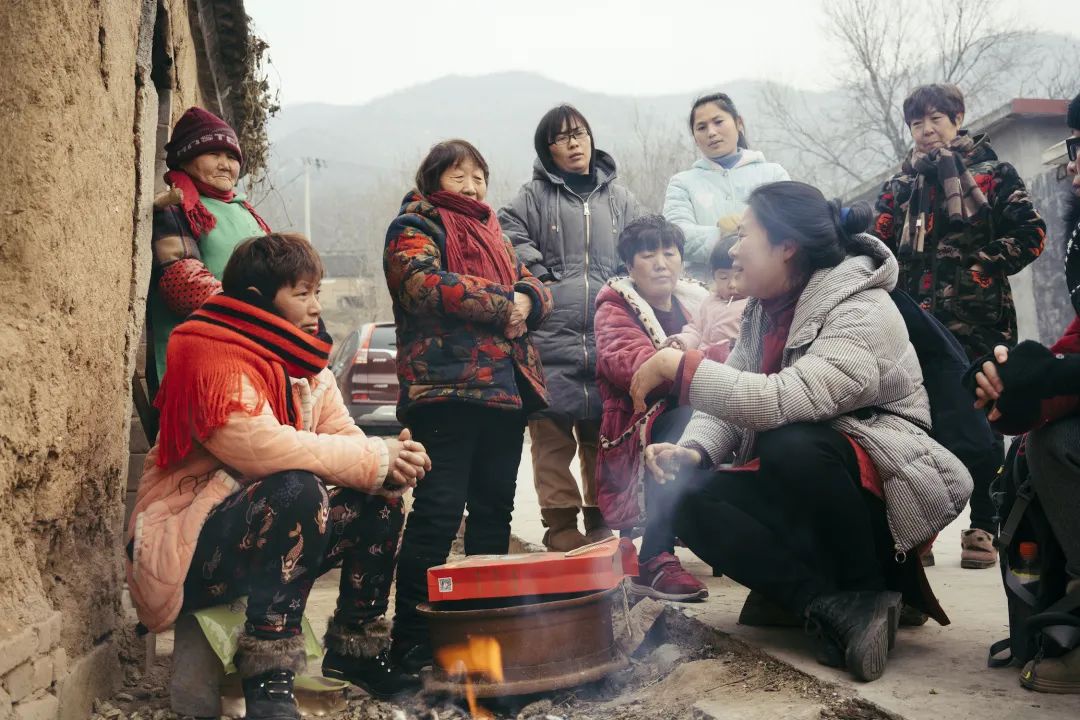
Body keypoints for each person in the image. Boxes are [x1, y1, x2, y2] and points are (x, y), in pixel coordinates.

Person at [632, 182, 972, 682]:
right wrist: (696, 452)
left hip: (881, 494)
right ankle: (822, 603)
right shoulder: (761, 309)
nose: (733, 249)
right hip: (806, 487)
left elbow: (783, 399)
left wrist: (679, 365)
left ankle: (866, 588)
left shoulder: (862, 308)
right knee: (679, 490)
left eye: (744, 234)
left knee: (790, 441)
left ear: (786, 244)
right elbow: (735, 396)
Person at [125, 233, 431, 717]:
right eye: (301, 293)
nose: (315, 307)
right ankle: (269, 678)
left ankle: (358, 651)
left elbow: (346, 437)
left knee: (381, 493)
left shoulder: (304, 361)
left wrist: (390, 460)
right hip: (193, 543)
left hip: (270, 533)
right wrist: (375, 455)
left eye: (317, 292)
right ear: (257, 300)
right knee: (297, 486)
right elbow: (258, 447)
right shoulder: (207, 352)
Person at [385, 140, 553, 678]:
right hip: (446, 393)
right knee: (437, 514)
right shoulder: (414, 227)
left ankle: (485, 635)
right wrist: (507, 303)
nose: (472, 185)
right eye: (459, 176)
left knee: (493, 514)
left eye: (479, 176)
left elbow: (538, 284)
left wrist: (526, 297)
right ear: (433, 179)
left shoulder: (496, 232)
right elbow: (423, 283)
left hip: (505, 391)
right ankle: (412, 640)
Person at [872, 83, 1046, 570]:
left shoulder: (992, 174)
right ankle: (920, 530)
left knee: (983, 419)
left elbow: (1031, 233)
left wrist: (984, 265)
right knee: (915, 423)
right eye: (917, 123)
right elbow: (876, 244)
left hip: (977, 321)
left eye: (936, 120)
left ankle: (983, 527)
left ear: (958, 118)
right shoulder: (901, 184)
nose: (927, 132)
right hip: (915, 325)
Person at [965, 92, 1080, 693]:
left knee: (1060, 441)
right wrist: (1015, 394)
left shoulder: (993, 177)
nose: (1072, 167)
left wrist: (1049, 377)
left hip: (982, 313)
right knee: (1037, 442)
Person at [499, 105, 644, 551]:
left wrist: (622, 281)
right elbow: (507, 230)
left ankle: (600, 515)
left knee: (601, 433)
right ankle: (560, 523)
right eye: (562, 138)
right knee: (551, 434)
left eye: (580, 133)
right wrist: (544, 278)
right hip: (549, 332)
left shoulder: (619, 197)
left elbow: (641, 241)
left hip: (606, 329)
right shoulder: (532, 196)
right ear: (548, 150)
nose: (574, 143)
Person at [594, 215, 709, 601]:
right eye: (648, 254)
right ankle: (655, 557)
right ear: (630, 266)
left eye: (669, 252)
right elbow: (638, 369)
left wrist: (691, 361)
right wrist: (705, 361)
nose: (661, 262)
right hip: (638, 427)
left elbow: (741, 355)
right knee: (683, 420)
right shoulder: (614, 308)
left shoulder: (702, 306)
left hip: (706, 413)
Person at [147, 106, 273, 392]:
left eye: (231, 157)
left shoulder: (244, 210)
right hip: (199, 355)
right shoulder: (177, 207)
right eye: (213, 154)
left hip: (253, 347)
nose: (225, 164)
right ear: (187, 158)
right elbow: (181, 281)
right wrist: (254, 310)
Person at [663, 92, 789, 281]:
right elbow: (676, 237)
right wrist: (720, 233)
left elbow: (790, 225)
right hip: (707, 290)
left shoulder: (773, 174)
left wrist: (740, 232)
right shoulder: (682, 183)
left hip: (768, 286)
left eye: (718, 122)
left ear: (739, 123)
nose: (711, 132)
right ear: (695, 138)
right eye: (702, 127)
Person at [664, 236, 749, 363]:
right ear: (713, 276)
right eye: (723, 277)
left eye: (738, 276)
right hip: (701, 362)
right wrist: (682, 342)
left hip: (733, 366)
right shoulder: (709, 302)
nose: (732, 284)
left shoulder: (753, 305)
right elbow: (696, 330)